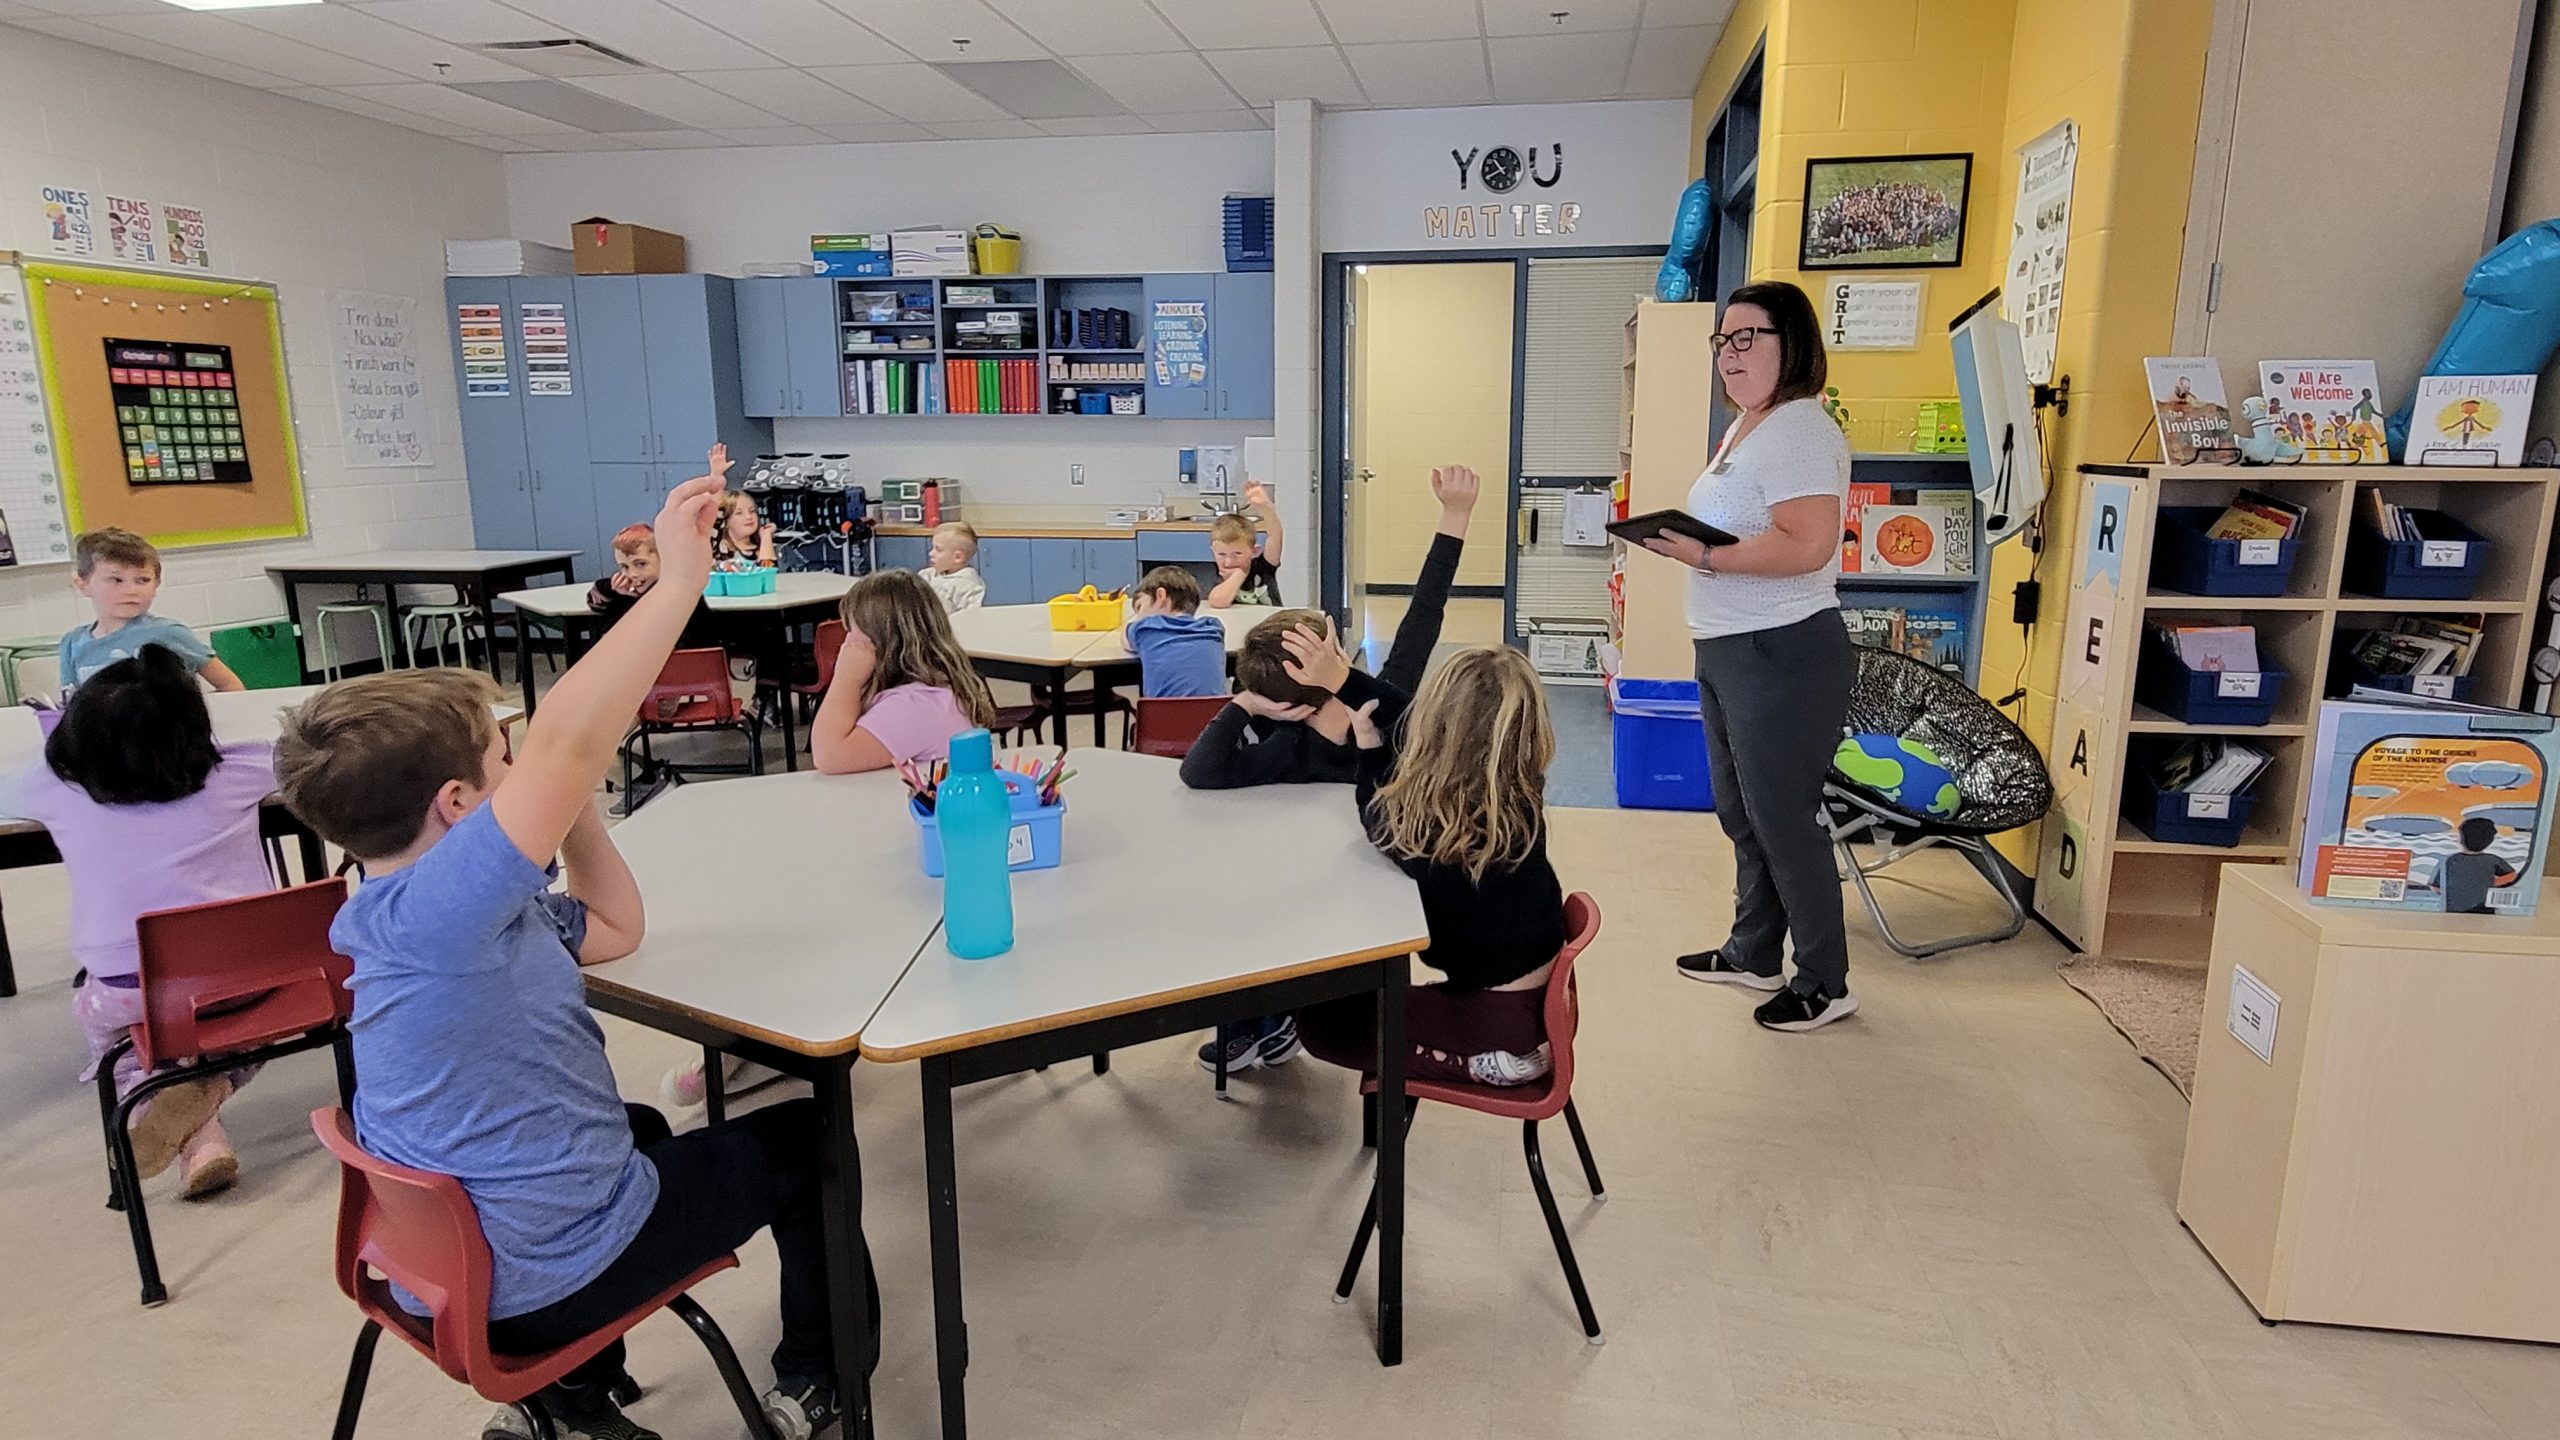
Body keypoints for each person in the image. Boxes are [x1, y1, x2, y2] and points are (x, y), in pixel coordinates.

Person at [273, 461, 863, 1440]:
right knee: (804, 1139)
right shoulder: (446, 913)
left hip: (443, 1263)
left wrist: (565, 814)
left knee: (636, 1128)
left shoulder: (417, 912)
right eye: (503, 763)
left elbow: (619, 928)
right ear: (458, 808)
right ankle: (822, 1378)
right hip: (533, 1281)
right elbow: (569, 739)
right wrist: (678, 582)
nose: (526, 772)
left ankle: (576, 1407)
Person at [1636, 280, 1860, 1034]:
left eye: (1746, 339)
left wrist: (1702, 552)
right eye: (1721, 342)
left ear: (1789, 343)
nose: (1729, 356)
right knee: (1742, 812)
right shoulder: (1747, 427)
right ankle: (1754, 950)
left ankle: (1825, 980)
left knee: (1783, 818)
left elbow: (1808, 544)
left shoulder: (1799, 428)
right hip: (1731, 647)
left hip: (1783, 649)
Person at [11, 645, 274, 1197]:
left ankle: (182, 1111)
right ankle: (211, 1098)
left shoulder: (54, 787)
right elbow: (306, 759)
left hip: (132, 991)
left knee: (123, 1048)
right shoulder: (243, 769)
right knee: (252, 1032)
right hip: (258, 981)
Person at [1297, 645, 1567, 1086]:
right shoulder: (1515, 793)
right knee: (1362, 999)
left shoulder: (1445, 832)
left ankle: (1483, 1062)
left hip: (1494, 1019)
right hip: (1526, 998)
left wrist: (1369, 750)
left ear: (1436, 725)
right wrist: (1343, 681)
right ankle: (1491, 1049)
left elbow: (1377, 821)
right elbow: (1406, 716)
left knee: (1323, 1025)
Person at [1180, 464, 1478, 792]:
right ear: (1335, 653)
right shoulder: (1383, 712)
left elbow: (1198, 771)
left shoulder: (1286, 747)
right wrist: (1456, 514)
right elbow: (1423, 616)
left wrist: (1248, 703)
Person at [809, 568, 999, 775]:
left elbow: (829, 756)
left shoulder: (918, 704)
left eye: (852, 631)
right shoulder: (923, 692)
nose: (847, 642)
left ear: (881, 640)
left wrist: (846, 679)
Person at [60, 528, 243, 692]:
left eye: (142, 580)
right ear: (82, 584)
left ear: (156, 584)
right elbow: (69, 707)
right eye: (116, 580)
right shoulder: (72, 643)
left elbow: (230, 685)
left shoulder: (167, 633)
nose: (131, 590)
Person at [1123, 565, 1226, 698]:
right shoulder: (1213, 628)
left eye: (1140, 607)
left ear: (1160, 596)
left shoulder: (1146, 628)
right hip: (1214, 717)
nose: (1139, 617)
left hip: (1162, 718)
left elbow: (1125, 637)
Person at [1207, 482, 1284, 607]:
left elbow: (1275, 537)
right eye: (1221, 554)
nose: (1228, 562)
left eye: (1237, 554)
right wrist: (1239, 575)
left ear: (1255, 551)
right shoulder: (1220, 574)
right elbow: (1218, 601)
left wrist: (1266, 508)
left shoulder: (1263, 567)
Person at [2440, 816, 2519, 914]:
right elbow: (2512, 875)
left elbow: (2436, 887)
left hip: (2454, 911)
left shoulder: (2450, 860)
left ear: (2461, 838)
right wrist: (2490, 883)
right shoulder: (2492, 859)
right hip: (2485, 911)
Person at [586, 524, 660, 625]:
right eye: (625, 567)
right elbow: (595, 603)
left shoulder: (679, 593)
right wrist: (612, 589)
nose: (632, 574)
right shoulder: (624, 595)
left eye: (641, 564)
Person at [918, 521, 986, 615]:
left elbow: (970, 618)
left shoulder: (968, 586)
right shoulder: (926, 575)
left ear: (957, 557)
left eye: (938, 549)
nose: (931, 553)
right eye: (932, 548)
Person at [713, 491, 777, 572]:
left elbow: (768, 575)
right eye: (739, 513)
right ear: (726, 520)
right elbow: (762, 574)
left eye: (752, 511)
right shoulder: (718, 554)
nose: (749, 516)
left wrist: (766, 536)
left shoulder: (771, 547)